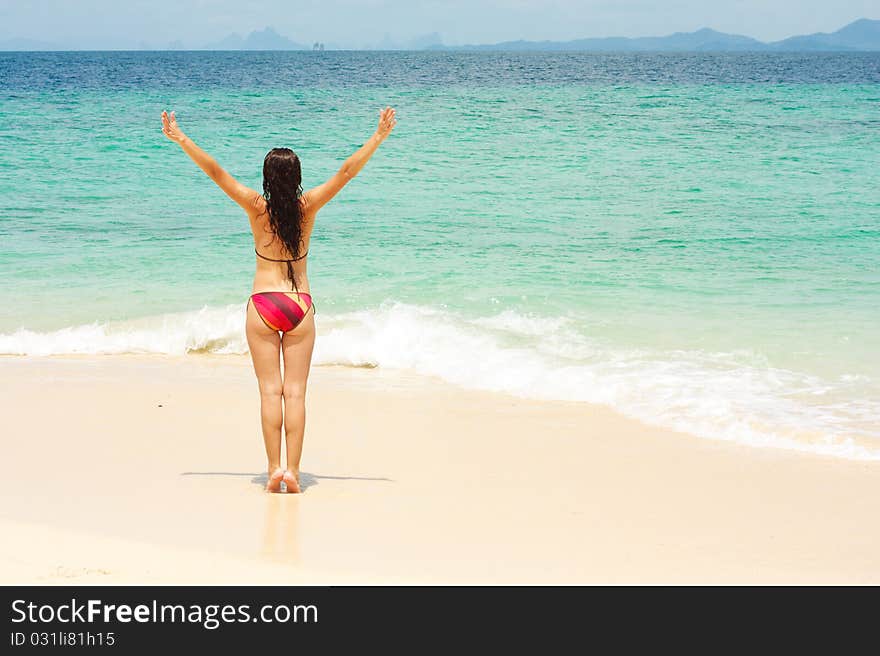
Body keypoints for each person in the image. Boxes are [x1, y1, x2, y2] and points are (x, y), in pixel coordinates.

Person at [161, 106, 397, 493]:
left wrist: (181, 138)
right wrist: (378, 137)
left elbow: (217, 173)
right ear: (298, 177)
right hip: (299, 306)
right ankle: (295, 471)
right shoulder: (309, 207)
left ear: (267, 179)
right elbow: (347, 172)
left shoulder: (256, 208)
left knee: (270, 392)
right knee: (297, 393)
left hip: (263, 305)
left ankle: (273, 470)